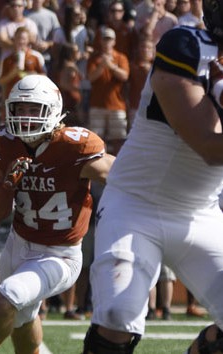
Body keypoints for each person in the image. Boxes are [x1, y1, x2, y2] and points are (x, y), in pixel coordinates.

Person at [82, 0, 223, 351]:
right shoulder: (187, 46)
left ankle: (205, 345)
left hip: (201, 215)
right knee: (118, 314)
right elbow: (207, 144)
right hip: (136, 206)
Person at [0, 74, 115, 354]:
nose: (26, 117)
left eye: (34, 109)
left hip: (59, 254)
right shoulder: (4, 143)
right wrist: (9, 183)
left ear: (53, 110)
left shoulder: (74, 147)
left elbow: (123, 176)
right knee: (22, 320)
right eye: (20, 109)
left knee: (4, 301)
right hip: (17, 245)